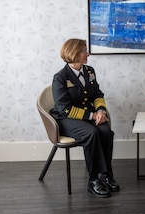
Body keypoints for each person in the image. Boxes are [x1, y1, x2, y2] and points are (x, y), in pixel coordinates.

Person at [50, 38, 120, 198]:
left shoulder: (89, 71)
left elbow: (97, 94)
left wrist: (101, 110)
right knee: (92, 133)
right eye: (84, 51)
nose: (87, 54)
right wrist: (92, 115)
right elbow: (64, 109)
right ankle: (94, 179)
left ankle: (106, 174)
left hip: (88, 115)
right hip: (65, 120)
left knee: (106, 132)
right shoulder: (60, 77)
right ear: (73, 53)